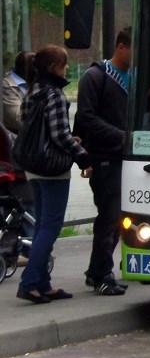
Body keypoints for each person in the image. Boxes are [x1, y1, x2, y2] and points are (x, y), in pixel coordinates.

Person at [15, 44, 90, 304]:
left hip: (32, 167)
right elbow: (59, 135)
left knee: (41, 225)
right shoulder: (55, 95)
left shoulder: (31, 92)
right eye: (64, 64)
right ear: (54, 67)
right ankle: (29, 283)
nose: (67, 68)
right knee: (51, 225)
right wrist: (82, 155)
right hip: (53, 169)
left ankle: (43, 284)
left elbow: (27, 124)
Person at [73, 26, 131, 296]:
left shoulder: (132, 77)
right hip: (105, 157)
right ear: (121, 47)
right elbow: (86, 117)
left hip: (122, 157)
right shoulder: (95, 77)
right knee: (109, 216)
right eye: (134, 50)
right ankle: (102, 275)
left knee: (115, 216)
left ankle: (97, 271)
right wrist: (120, 136)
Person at [3, 50, 36, 248]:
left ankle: (28, 244)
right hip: (15, 154)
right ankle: (27, 245)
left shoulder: (34, 88)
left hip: (30, 154)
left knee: (32, 200)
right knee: (27, 200)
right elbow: (17, 117)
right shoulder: (9, 87)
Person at [3, 50, 34, 133]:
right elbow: (18, 120)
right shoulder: (7, 86)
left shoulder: (33, 83)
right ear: (25, 69)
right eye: (34, 68)